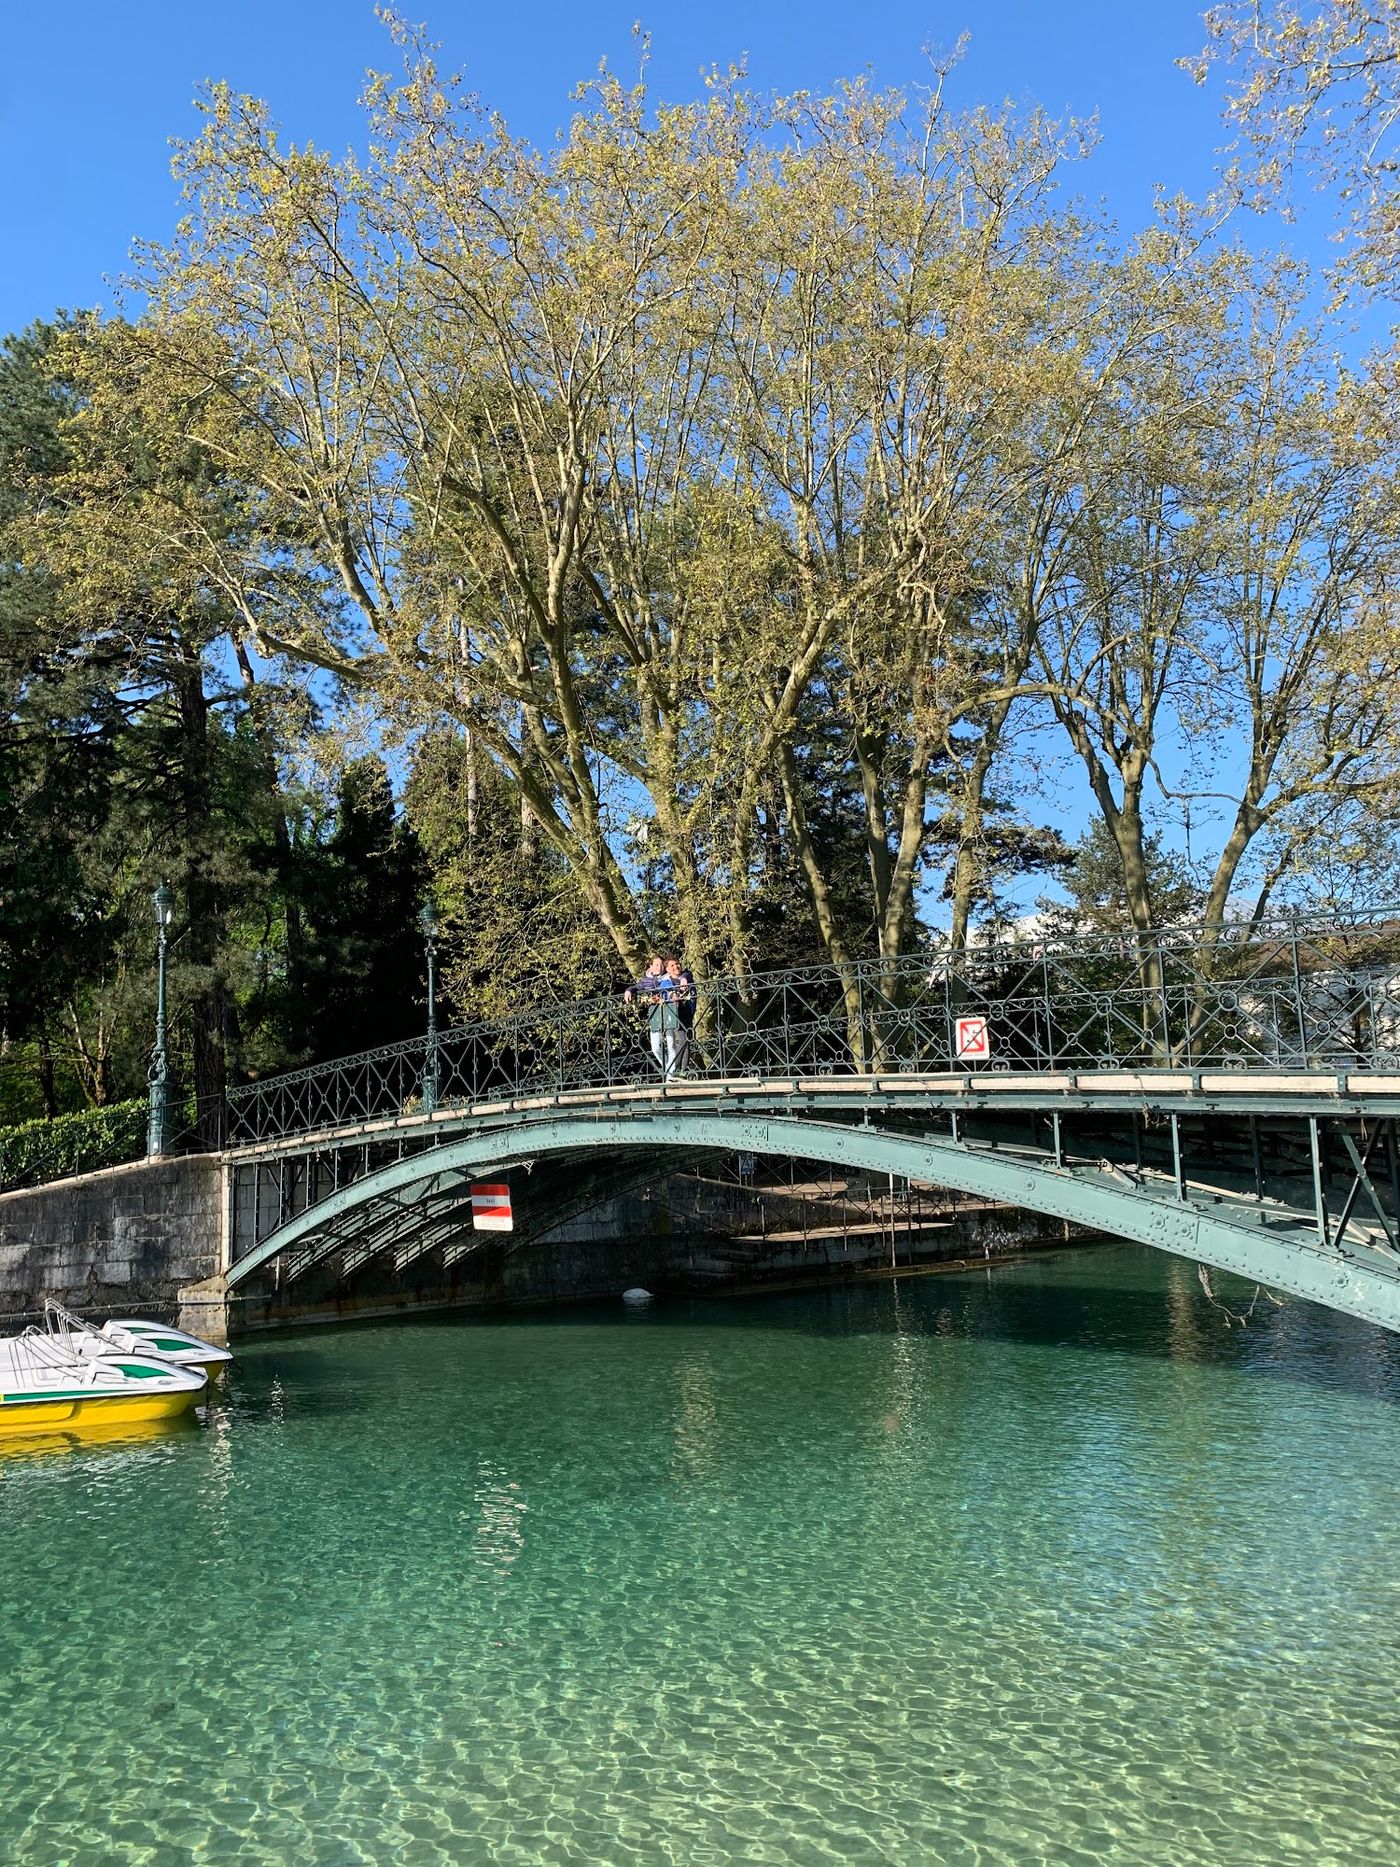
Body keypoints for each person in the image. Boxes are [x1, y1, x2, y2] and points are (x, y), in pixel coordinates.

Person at [663, 956, 695, 1077]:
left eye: (677, 964)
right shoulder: (666, 982)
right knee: (683, 1039)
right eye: (672, 965)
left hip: (688, 1012)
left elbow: (688, 974)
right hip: (675, 1015)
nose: (676, 967)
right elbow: (664, 991)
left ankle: (684, 1069)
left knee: (688, 1041)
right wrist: (672, 997)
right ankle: (675, 1067)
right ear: (667, 969)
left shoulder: (687, 976)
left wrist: (684, 979)